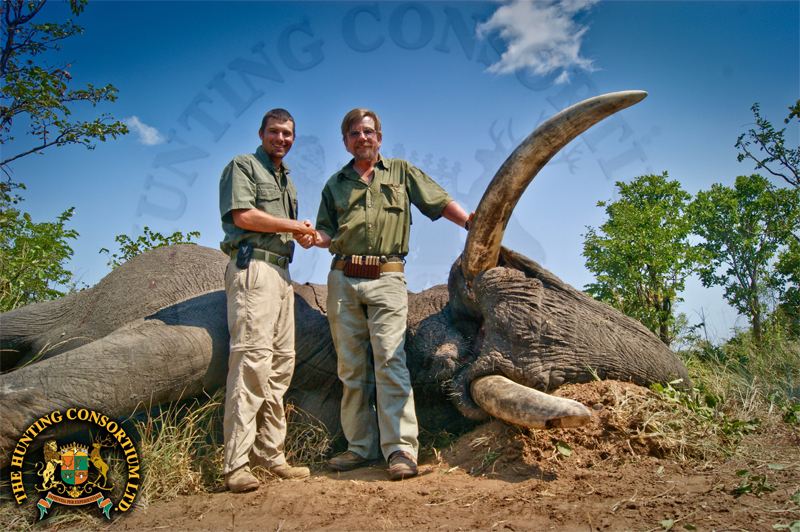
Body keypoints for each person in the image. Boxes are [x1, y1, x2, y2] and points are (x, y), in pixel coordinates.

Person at [303, 108, 473, 481]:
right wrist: (313, 238)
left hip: (387, 276)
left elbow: (439, 200)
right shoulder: (335, 184)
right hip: (342, 279)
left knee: (391, 361)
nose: (362, 138)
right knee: (350, 367)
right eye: (354, 133)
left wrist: (470, 222)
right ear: (345, 141)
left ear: (379, 137)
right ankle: (360, 448)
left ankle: (400, 449)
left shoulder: (402, 172)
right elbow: (327, 233)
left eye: (368, 132)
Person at [219, 108, 317, 492]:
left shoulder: (286, 180)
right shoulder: (243, 166)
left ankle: (270, 454)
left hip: (281, 274)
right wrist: (295, 226)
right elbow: (243, 216)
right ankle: (235, 465)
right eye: (275, 132)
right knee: (251, 361)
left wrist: (301, 236)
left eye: (288, 134)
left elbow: (280, 227)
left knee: (280, 365)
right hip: (253, 270)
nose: (282, 139)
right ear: (261, 133)